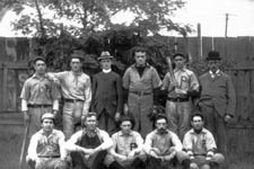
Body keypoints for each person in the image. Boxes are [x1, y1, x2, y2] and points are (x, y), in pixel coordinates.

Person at [198, 51, 236, 155]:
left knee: (221, 136)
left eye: (215, 62)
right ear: (207, 64)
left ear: (219, 63)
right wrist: (200, 106)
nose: (213, 65)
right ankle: (208, 158)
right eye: (211, 63)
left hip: (221, 111)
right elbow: (197, 94)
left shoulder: (226, 78)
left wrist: (229, 113)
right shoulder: (202, 78)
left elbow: (232, 96)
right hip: (206, 109)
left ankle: (221, 160)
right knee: (207, 134)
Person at [47, 51, 92, 139]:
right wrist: (54, 79)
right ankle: (68, 152)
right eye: (73, 63)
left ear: (81, 64)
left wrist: (85, 112)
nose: (75, 65)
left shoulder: (86, 77)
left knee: (80, 132)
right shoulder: (65, 75)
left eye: (77, 63)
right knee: (67, 132)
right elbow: (48, 74)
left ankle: (79, 151)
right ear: (70, 64)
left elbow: (88, 96)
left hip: (80, 104)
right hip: (68, 105)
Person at [122, 46, 162, 137]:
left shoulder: (152, 70)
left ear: (146, 57)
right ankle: (133, 144)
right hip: (133, 98)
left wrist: (155, 105)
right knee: (133, 121)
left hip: (147, 98)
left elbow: (156, 88)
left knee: (147, 122)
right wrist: (125, 104)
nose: (140, 59)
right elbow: (125, 88)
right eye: (138, 56)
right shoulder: (129, 70)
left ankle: (146, 146)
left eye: (142, 56)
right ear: (134, 58)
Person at [161, 53, 199, 140]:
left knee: (184, 126)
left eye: (180, 59)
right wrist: (170, 88)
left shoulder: (190, 74)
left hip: (185, 102)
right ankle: (174, 147)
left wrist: (185, 92)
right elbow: (163, 91)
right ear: (173, 61)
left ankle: (184, 148)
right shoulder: (169, 75)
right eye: (176, 60)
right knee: (172, 126)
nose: (178, 62)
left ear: (184, 60)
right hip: (171, 102)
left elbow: (196, 90)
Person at [20, 57, 61, 136]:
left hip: (47, 109)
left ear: (45, 67)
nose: (41, 67)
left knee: (47, 133)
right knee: (33, 134)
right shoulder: (29, 81)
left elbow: (55, 98)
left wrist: (55, 111)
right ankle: (34, 148)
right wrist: (25, 113)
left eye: (43, 65)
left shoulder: (50, 81)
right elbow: (24, 98)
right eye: (38, 65)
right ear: (35, 67)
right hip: (33, 110)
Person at [91, 51, 123, 135]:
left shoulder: (116, 76)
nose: (106, 64)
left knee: (111, 131)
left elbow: (120, 96)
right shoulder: (96, 77)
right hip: (99, 108)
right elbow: (93, 94)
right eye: (104, 62)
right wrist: (93, 110)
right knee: (100, 132)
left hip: (112, 108)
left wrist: (118, 111)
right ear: (101, 63)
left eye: (108, 61)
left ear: (111, 62)